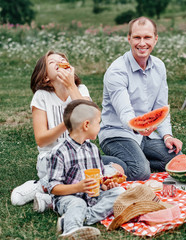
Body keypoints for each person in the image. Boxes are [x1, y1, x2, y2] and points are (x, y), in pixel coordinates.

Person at [10, 50, 121, 212]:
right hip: (52, 159)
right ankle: (40, 185)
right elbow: (41, 140)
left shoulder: (80, 89)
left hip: (82, 157)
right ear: (46, 77)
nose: (59, 62)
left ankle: (49, 197)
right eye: (52, 62)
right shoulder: (42, 96)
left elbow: (92, 119)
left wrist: (71, 86)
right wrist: (67, 121)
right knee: (91, 179)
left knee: (117, 169)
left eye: (62, 60)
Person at [99, 16, 182, 181]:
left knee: (178, 161)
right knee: (140, 172)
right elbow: (125, 113)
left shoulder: (159, 66)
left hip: (146, 136)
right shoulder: (117, 71)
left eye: (147, 37)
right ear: (129, 39)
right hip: (117, 134)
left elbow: (161, 108)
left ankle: (132, 159)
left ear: (155, 39)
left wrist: (167, 136)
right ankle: (92, 162)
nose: (142, 43)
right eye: (137, 37)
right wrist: (138, 127)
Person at [47, 99, 125, 238]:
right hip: (68, 198)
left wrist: (107, 186)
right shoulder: (60, 152)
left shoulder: (93, 149)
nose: (100, 126)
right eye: (98, 122)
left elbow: (100, 180)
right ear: (86, 125)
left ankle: (75, 218)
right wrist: (78, 188)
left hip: (93, 197)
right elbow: (53, 188)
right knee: (78, 203)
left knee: (120, 192)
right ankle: (71, 230)